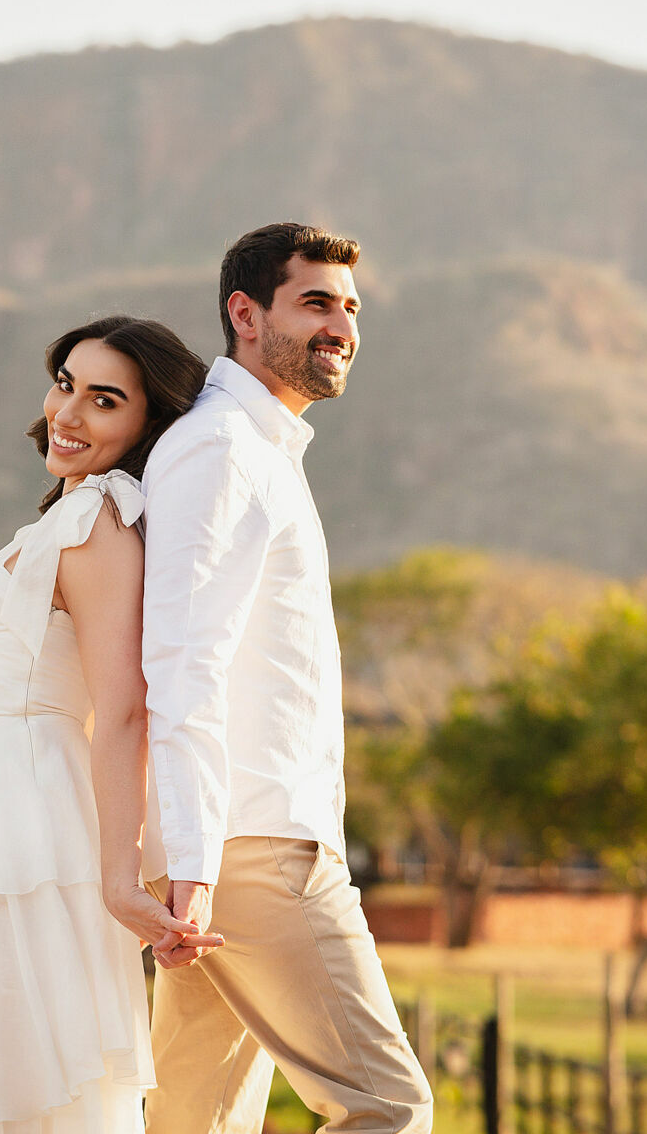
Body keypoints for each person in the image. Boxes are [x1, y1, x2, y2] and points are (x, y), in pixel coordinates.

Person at [140, 223, 434, 1132]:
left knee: (195, 1124)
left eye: (350, 307)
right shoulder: (223, 452)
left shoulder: (257, 453)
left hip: (230, 847)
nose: (341, 325)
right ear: (245, 313)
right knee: (388, 1108)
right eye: (316, 302)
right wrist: (191, 862)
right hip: (255, 847)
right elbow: (182, 661)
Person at [0, 314, 219, 1134]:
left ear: (148, 425)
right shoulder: (64, 516)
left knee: (33, 1087)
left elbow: (120, 708)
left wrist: (121, 876)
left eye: (104, 400)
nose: (68, 413)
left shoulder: (101, 521)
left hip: (32, 822)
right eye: (66, 384)